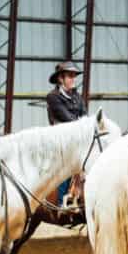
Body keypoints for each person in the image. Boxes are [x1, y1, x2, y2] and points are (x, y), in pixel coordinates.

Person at [46, 61, 87, 207]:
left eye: (74, 76)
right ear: (60, 79)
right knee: (66, 166)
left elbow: (84, 116)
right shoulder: (53, 97)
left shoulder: (77, 96)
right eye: (70, 76)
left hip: (78, 139)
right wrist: (82, 125)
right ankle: (61, 202)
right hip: (61, 141)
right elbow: (67, 119)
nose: (73, 79)